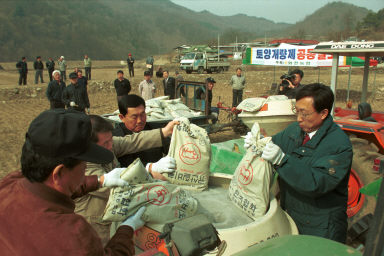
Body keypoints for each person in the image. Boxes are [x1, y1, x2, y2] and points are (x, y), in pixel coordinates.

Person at [0, 109, 146, 255]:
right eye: (84, 166)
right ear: (59, 173)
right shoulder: (73, 235)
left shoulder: (10, 183)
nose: (85, 171)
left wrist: (100, 180)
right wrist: (127, 229)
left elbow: (58, 188)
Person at [249, 83, 353, 243]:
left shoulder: (338, 145)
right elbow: (275, 143)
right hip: (291, 215)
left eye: (304, 114)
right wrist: (260, 143)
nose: (298, 119)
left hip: (320, 226)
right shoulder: (294, 130)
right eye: (296, 111)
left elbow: (316, 183)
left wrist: (282, 161)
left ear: (324, 113)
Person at [74, 114, 177, 244]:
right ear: (89, 146)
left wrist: (164, 132)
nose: (111, 145)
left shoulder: (106, 144)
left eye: (111, 139)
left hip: (112, 218)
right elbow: (116, 188)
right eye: (106, 143)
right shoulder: (82, 166)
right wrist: (149, 171)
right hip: (92, 227)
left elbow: (130, 141)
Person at [113, 94, 171, 168]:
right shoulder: (116, 138)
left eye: (142, 114)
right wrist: (152, 168)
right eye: (134, 117)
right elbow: (127, 166)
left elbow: (171, 149)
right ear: (122, 117)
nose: (140, 120)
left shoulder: (155, 130)